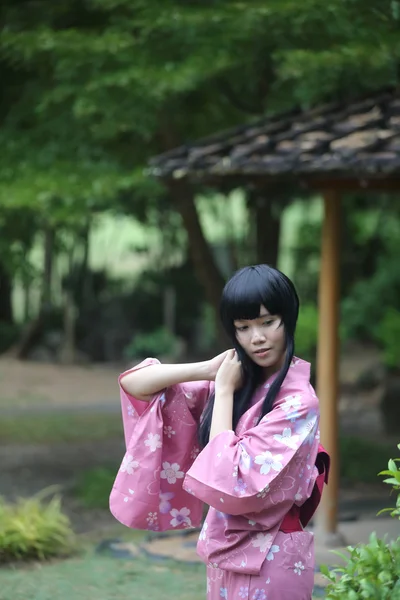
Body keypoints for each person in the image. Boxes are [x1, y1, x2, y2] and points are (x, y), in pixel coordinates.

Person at [110, 264, 330, 600]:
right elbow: (135, 384)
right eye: (243, 327)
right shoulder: (235, 383)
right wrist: (208, 371)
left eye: (268, 322)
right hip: (224, 558)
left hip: (272, 560)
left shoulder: (299, 404)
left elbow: (227, 481)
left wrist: (224, 391)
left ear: (288, 318)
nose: (256, 337)